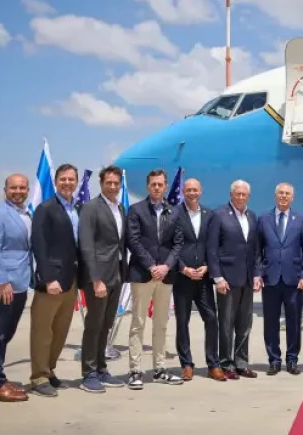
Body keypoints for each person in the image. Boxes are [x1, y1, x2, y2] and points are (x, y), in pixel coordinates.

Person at [126, 169, 185, 389]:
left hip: (165, 276)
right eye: (153, 184)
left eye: (160, 184)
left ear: (165, 186)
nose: (157, 188)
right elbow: (133, 241)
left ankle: (159, 369)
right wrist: (152, 266)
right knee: (138, 323)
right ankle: (135, 370)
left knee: (161, 323)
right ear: (147, 186)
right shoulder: (136, 210)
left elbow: (178, 243)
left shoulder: (175, 211)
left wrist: (166, 266)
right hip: (143, 274)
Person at [0, 174, 33, 402]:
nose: (18, 191)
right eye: (13, 188)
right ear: (5, 190)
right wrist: (2, 281)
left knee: (5, 334)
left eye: (22, 188)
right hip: (0, 287)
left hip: (19, 284)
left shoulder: (26, 213)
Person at [28, 164, 81, 397]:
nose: (67, 183)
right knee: (43, 330)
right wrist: (48, 278)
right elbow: (39, 245)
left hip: (71, 280)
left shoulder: (77, 209)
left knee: (61, 330)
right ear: (56, 181)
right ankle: (38, 376)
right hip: (52, 282)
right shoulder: (46, 208)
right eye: (63, 179)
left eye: (71, 179)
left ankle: (49, 370)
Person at [77, 165, 129, 393]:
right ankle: (88, 373)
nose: (113, 186)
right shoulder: (90, 208)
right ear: (101, 184)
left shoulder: (120, 208)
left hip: (116, 274)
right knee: (94, 325)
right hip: (99, 276)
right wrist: (95, 279)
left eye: (116, 183)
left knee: (106, 324)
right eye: (109, 183)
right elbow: (87, 245)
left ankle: (101, 368)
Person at [171, 178, 224, 381]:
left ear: (201, 192)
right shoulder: (175, 213)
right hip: (182, 278)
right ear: (183, 192)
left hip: (203, 278)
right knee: (182, 322)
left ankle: (213, 364)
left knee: (211, 319)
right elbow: (170, 245)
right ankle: (186, 364)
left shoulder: (209, 215)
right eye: (188, 190)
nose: (192, 193)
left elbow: (214, 245)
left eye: (195, 190)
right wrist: (183, 268)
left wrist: (208, 266)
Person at [208, 179, 262, 379]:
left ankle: (241, 363)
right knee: (226, 323)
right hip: (227, 279)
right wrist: (217, 277)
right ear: (231, 195)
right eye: (237, 194)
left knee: (244, 324)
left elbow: (255, 250)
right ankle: (226, 364)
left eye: (243, 194)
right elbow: (212, 249)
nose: (240, 197)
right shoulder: (219, 215)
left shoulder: (252, 216)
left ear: (248, 196)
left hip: (247, 279)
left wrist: (257, 274)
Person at [256, 182, 303, 375]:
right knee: (271, 322)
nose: (284, 196)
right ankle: (274, 360)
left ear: (292, 198)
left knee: (294, 321)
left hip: (294, 279)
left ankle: (292, 359)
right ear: (275, 195)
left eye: (287, 194)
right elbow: (257, 250)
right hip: (270, 279)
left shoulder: (301, 219)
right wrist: (258, 273)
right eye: (281, 193)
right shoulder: (263, 219)